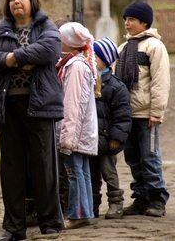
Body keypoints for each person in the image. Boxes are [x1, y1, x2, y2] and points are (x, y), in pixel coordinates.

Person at [0, 0, 64, 241]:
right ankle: (14, 227)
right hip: (8, 105)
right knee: (11, 167)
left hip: (39, 105)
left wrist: (8, 56)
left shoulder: (45, 26)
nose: (17, 2)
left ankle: (49, 222)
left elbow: (50, 49)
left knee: (43, 165)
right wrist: (16, 60)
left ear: (32, 2)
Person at [115, 0, 171, 217]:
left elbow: (160, 81)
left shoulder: (154, 47)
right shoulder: (123, 48)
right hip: (126, 114)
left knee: (149, 156)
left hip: (146, 113)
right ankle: (141, 197)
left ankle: (157, 198)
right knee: (133, 157)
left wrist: (157, 112)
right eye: (125, 20)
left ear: (144, 22)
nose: (127, 24)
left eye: (131, 20)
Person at [56, 22, 98, 229]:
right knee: (81, 170)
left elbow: (72, 104)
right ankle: (86, 210)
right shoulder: (81, 63)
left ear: (68, 43)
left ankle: (78, 213)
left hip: (75, 131)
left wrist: (67, 137)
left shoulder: (75, 67)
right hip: (81, 130)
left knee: (74, 171)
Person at [89, 37, 132, 219]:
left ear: (104, 60)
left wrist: (116, 138)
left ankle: (116, 202)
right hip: (90, 138)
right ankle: (92, 205)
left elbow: (122, 116)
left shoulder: (116, 87)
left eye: (94, 56)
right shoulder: (87, 80)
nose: (90, 59)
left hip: (107, 140)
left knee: (109, 173)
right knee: (91, 175)